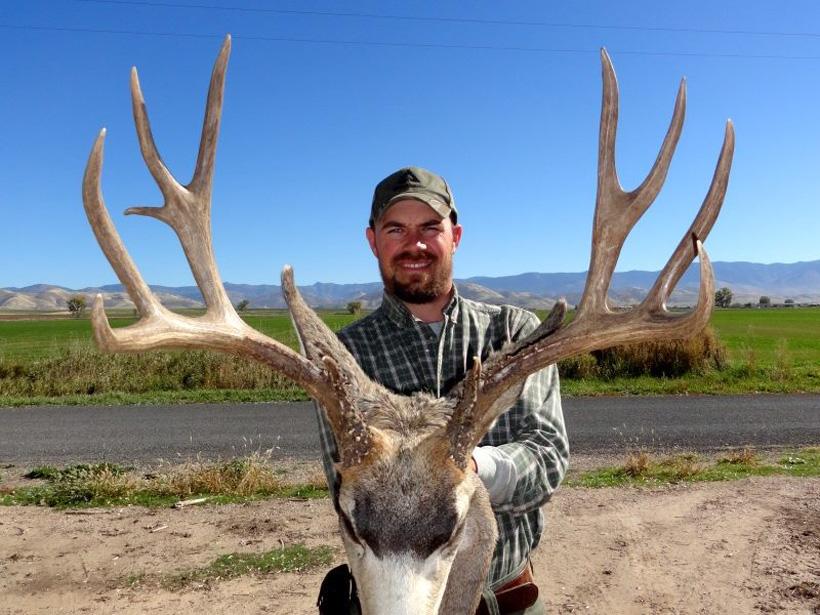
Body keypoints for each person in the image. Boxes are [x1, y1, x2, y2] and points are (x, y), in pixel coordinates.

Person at [315, 167, 569, 615]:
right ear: (374, 240)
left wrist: (470, 466)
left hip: (504, 598)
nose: (414, 244)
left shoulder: (514, 333)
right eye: (396, 229)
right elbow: (349, 491)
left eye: (430, 227)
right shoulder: (343, 358)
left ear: (455, 235)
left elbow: (547, 461)